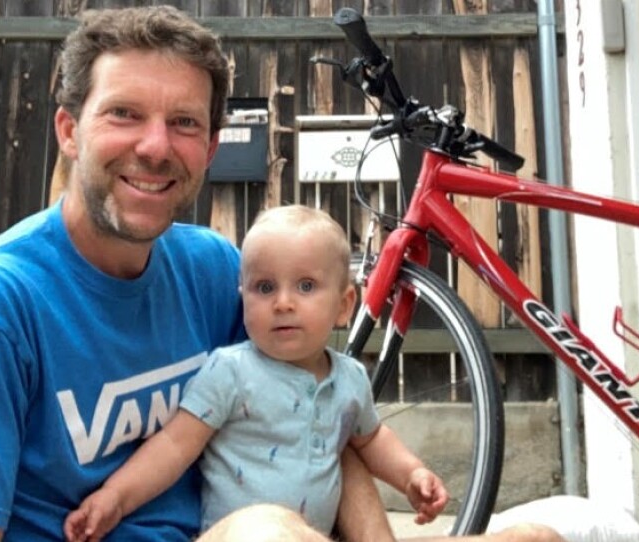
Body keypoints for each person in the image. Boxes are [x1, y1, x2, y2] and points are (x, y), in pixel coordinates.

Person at [0, 5, 564, 542]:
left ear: (210, 149)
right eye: (124, 114)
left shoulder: (215, 270)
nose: (156, 146)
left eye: (185, 123)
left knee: (553, 533)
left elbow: (316, 419)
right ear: (69, 130)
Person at [64, 205, 449, 541]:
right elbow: (174, 446)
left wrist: (412, 474)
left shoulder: (349, 379)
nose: (283, 302)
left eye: (305, 286)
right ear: (243, 296)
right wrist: (114, 497)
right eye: (264, 287)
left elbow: (372, 439)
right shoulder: (231, 371)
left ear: (345, 305)